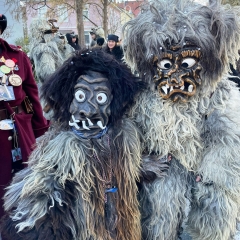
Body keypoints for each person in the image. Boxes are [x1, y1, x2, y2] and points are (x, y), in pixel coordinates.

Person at [123, 0, 240, 239]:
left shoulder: (217, 96)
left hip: (206, 180)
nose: (175, 78)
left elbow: (226, 141)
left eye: (186, 63)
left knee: (214, 216)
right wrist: (137, 162)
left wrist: (214, 174)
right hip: (160, 178)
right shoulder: (142, 99)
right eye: (166, 64)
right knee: (159, 219)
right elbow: (127, 136)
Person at [1, 48, 146, 240]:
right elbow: (44, 185)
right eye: (81, 96)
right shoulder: (62, 149)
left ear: (114, 103)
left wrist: (141, 168)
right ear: (68, 101)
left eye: (100, 98)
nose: (88, 110)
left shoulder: (123, 137)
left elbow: (126, 169)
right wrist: (36, 221)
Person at [0, 14, 49, 221]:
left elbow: (31, 92)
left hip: (19, 128)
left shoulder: (17, 55)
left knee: (25, 177)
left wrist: (40, 127)